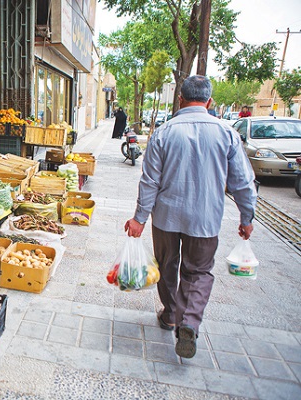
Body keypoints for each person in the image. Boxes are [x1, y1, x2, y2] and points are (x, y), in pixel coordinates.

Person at [124, 75, 257, 359]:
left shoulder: (164, 132)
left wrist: (139, 218)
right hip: (205, 220)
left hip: (166, 218)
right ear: (210, 102)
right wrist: (247, 217)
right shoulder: (227, 133)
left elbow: (150, 181)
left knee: (167, 265)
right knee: (198, 273)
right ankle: (189, 323)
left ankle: (171, 314)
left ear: (180, 99)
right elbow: (243, 182)